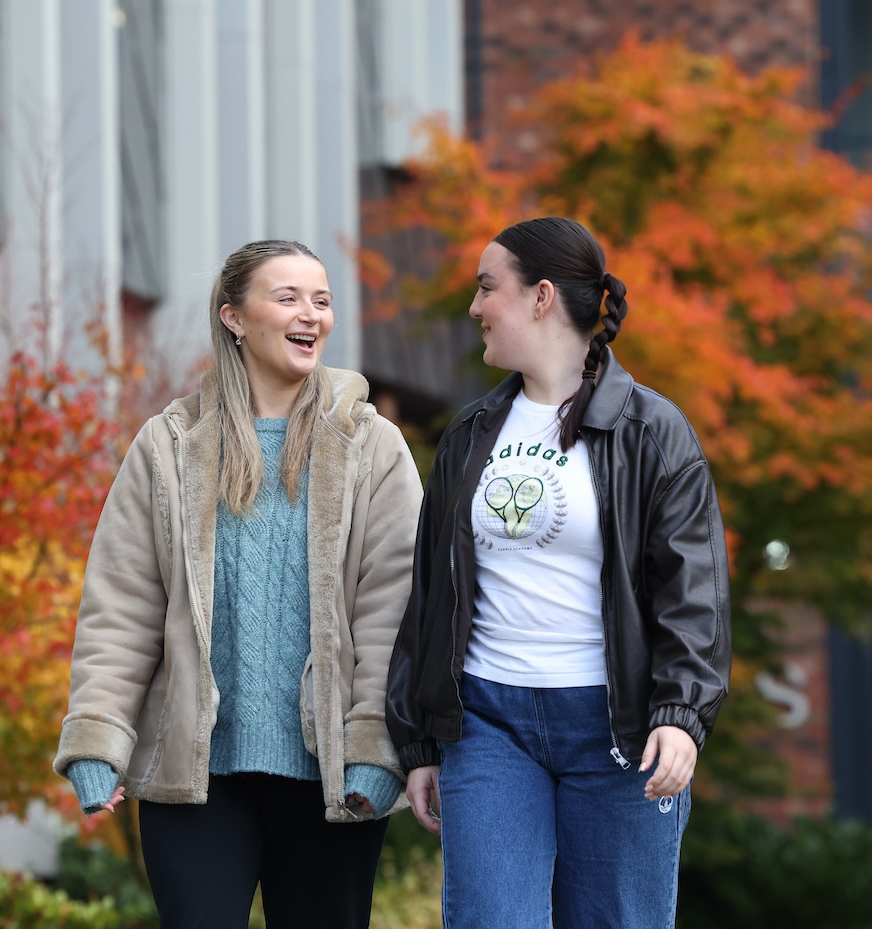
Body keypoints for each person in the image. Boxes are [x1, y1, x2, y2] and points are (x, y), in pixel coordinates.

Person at [53, 240, 423, 929]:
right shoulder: (167, 447)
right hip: (197, 779)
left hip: (332, 777)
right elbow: (121, 606)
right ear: (233, 316)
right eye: (287, 297)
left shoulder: (372, 446)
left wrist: (379, 748)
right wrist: (99, 739)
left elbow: (394, 608)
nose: (311, 313)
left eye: (322, 299)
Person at [385, 217, 731, 928]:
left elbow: (692, 591)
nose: (476, 307)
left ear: (541, 296)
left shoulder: (651, 431)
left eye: (488, 288)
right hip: (487, 724)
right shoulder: (471, 431)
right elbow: (431, 593)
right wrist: (419, 740)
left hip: (620, 730)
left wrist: (682, 714)